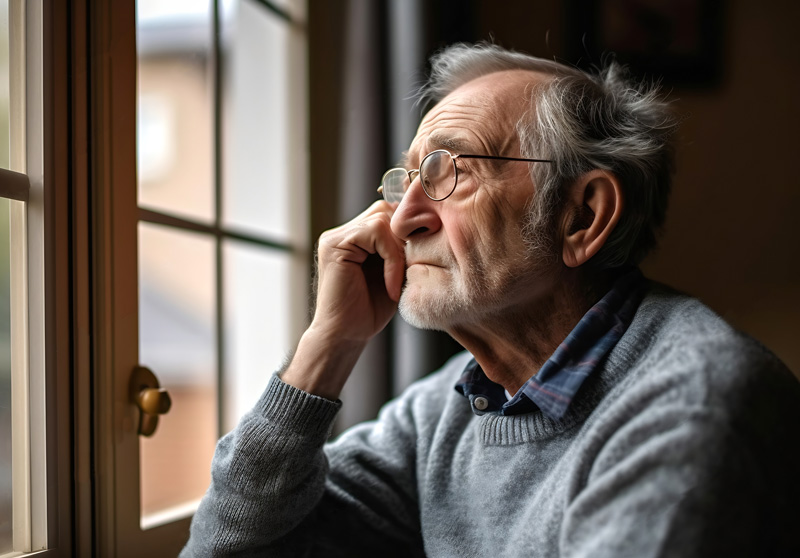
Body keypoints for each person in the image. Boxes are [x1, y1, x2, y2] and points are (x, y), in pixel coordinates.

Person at [181, 43, 800, 557]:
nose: (399, 222)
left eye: (449, 171)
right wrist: (327, 346)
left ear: (582, 216)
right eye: (406, 180)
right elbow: (226, 547)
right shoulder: (447, 411)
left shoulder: (693, 403)